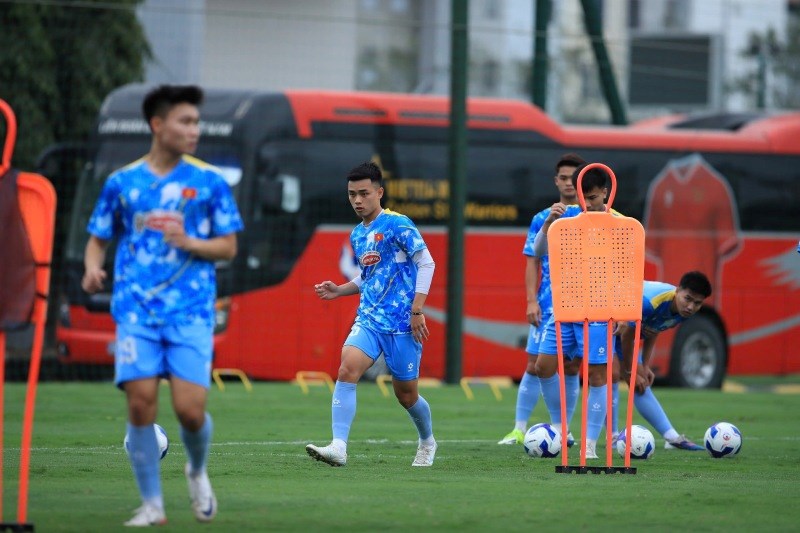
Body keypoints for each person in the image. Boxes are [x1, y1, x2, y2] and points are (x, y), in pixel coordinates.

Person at [82, 85, 244, 526]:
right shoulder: (122, 182)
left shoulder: (209, 182)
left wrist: (190, 242)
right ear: (158, 125)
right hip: (135, 310)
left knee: (190, 412)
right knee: (140, 405)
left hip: (191, 310)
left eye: (196, 122)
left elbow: (229, 247)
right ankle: (152, 504)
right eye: (185, 122)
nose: (195, 130)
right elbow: (98, 238)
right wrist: (92, 268)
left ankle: (196, 470)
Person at [306, 161, 437, 467]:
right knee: (347, 369)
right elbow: (370, 276)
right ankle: (338, 447)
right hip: (370, 319)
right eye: (352, 194)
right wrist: (339, 290)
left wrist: (417, 309)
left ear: (380, 192)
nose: (357, 200)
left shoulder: (398, 224)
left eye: (364, 193)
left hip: (403, 324)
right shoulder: (358, 234)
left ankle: (427, 441)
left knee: (406, 396)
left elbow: (427, 263)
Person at [530, 164, 623, 454]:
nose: (588, 204)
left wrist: (619, 309)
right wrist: (547, 224)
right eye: (584, 198)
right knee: (543, 366)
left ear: (605, 193)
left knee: (597, 375)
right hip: (564, 307)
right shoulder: (567, 216)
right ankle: (561, 430)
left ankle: (591, 445)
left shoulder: (620, 223)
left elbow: (626, 270)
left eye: (593, 198)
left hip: (597, 311)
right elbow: (538, 252)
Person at [498, 153, 585, 446]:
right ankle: (519, 428)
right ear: (555, 181)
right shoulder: (542, 218)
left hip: (579, 305)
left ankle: (565, 430)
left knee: (572, 367)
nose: (568, 183)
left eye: (574, 177)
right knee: (534, 364)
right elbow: (532, 260)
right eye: (563, 177)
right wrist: (530, 301)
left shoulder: (591, 216)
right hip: (548, 305)